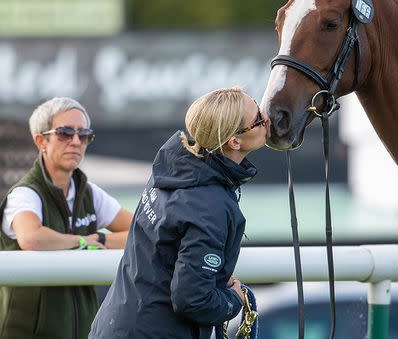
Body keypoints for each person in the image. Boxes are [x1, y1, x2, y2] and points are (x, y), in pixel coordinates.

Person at [89, 87, 269, 339]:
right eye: (259, 118)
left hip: (116, 325)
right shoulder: (211, 205)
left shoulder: (172, 167)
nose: (267, 118)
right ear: (234, 141)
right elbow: (192, 299)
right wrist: (234, 299)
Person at [0, 96, 134, 339]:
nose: (76, 141)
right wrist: (82, 241)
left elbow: (143, 231)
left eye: (84, 134)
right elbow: (32, 238)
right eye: (64, 133)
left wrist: (100, 241)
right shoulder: (24, 194)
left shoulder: (90, 193)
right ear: (41, 140)